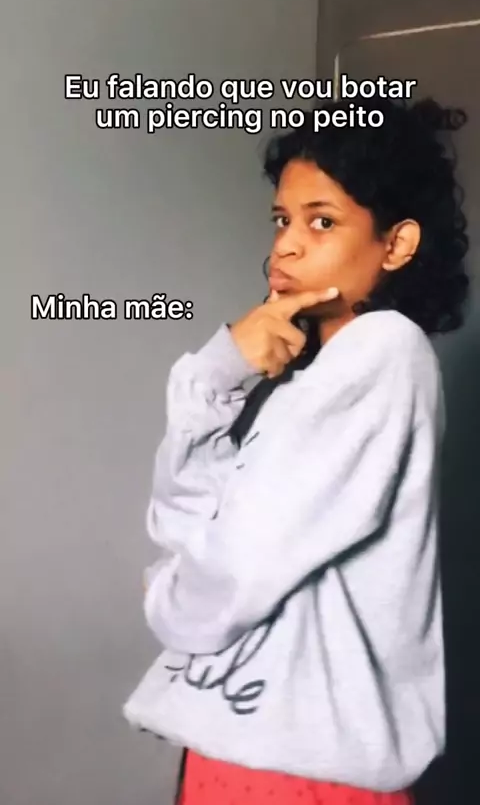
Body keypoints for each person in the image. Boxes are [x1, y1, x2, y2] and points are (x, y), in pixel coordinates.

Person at [123, 96, 470, 805]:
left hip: (301, 772)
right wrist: (219, 370)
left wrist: (166, 598)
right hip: (238, 744)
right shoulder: (306, 381)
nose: (285, 245)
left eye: (322, 221)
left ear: (397, 245)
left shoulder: (383, 350)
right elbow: (187, 525)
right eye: (283, 219)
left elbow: (234, 567)